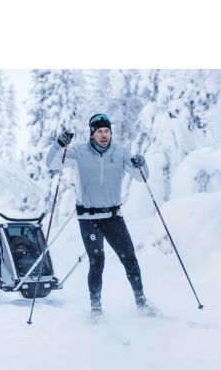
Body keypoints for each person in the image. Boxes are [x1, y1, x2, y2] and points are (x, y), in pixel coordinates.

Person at [46, 113, 152, 322]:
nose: (104, 135)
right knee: (97, 261)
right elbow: (52, 163)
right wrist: (59, 144)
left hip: (113, 217)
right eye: (99, 131)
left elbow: (142, 177)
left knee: (129, 258)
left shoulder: (120, 153)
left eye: (107, 131)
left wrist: (142, 164)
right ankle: (96, 309)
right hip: (89, 218)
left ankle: (141, 302)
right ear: (92, 134)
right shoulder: (78, 152)